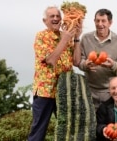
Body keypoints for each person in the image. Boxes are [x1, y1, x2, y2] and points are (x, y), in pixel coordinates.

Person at [28, 6, 82, 141]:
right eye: (52, 16)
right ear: (44, 20)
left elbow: (76, 61)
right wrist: (64, 39)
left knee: (69, 129)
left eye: (58, 16)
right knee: (38, 131)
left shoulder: (67, 36)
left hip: (65, 91)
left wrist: (76, 38)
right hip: (45, 91)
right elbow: (51, 60)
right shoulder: (41, 36)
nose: (56, 18)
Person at [78, 8, 117, 110]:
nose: (100, 24)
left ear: (110, 23)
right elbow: (79, 61)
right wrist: (85, 65)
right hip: (89, 90)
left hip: (109, 92)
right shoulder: (86, 38)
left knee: (109, 123)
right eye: (97, 20)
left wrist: (113, 65)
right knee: (90, 122)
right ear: (94, 21)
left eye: (103, 21)